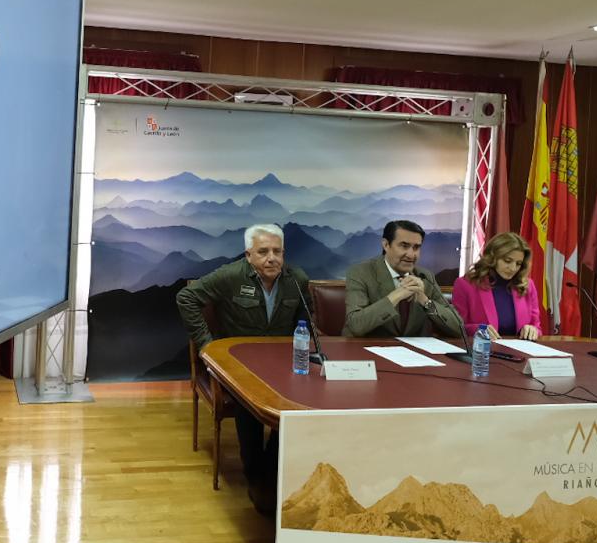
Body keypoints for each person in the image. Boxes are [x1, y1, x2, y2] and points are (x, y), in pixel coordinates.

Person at [176, 223, 310, 520]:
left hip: (281, 364)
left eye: (277, 251)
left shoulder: (297, 280)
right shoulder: (230, 276)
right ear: (249, 255)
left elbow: (306, 323)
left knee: (290, 406)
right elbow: (186, 298)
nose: (271, 258)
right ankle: (255, 476)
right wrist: (208, 346)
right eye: (263, 252)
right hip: (239, 365)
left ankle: (270, 472)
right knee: (249, 405)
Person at [343, 220, 465, 340]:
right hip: (368, 349)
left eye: (416, 247)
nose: (411, 255)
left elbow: (459, 328)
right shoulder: (361, 273)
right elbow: (355, 325)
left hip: (413, 351)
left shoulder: (425, 276)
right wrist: (396, 296)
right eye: (404, 246)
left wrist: (425, 301)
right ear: (386, 245)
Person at [451, 231, 542, 340]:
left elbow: (537, 327)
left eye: (518, 263)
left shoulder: (528, 285)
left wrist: (533, 330)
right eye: (507, 261)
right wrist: (478, 330)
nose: (513, 268)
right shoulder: (465, 285)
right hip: (482, 348)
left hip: (519, 349)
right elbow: (456, 328)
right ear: (492, 258)